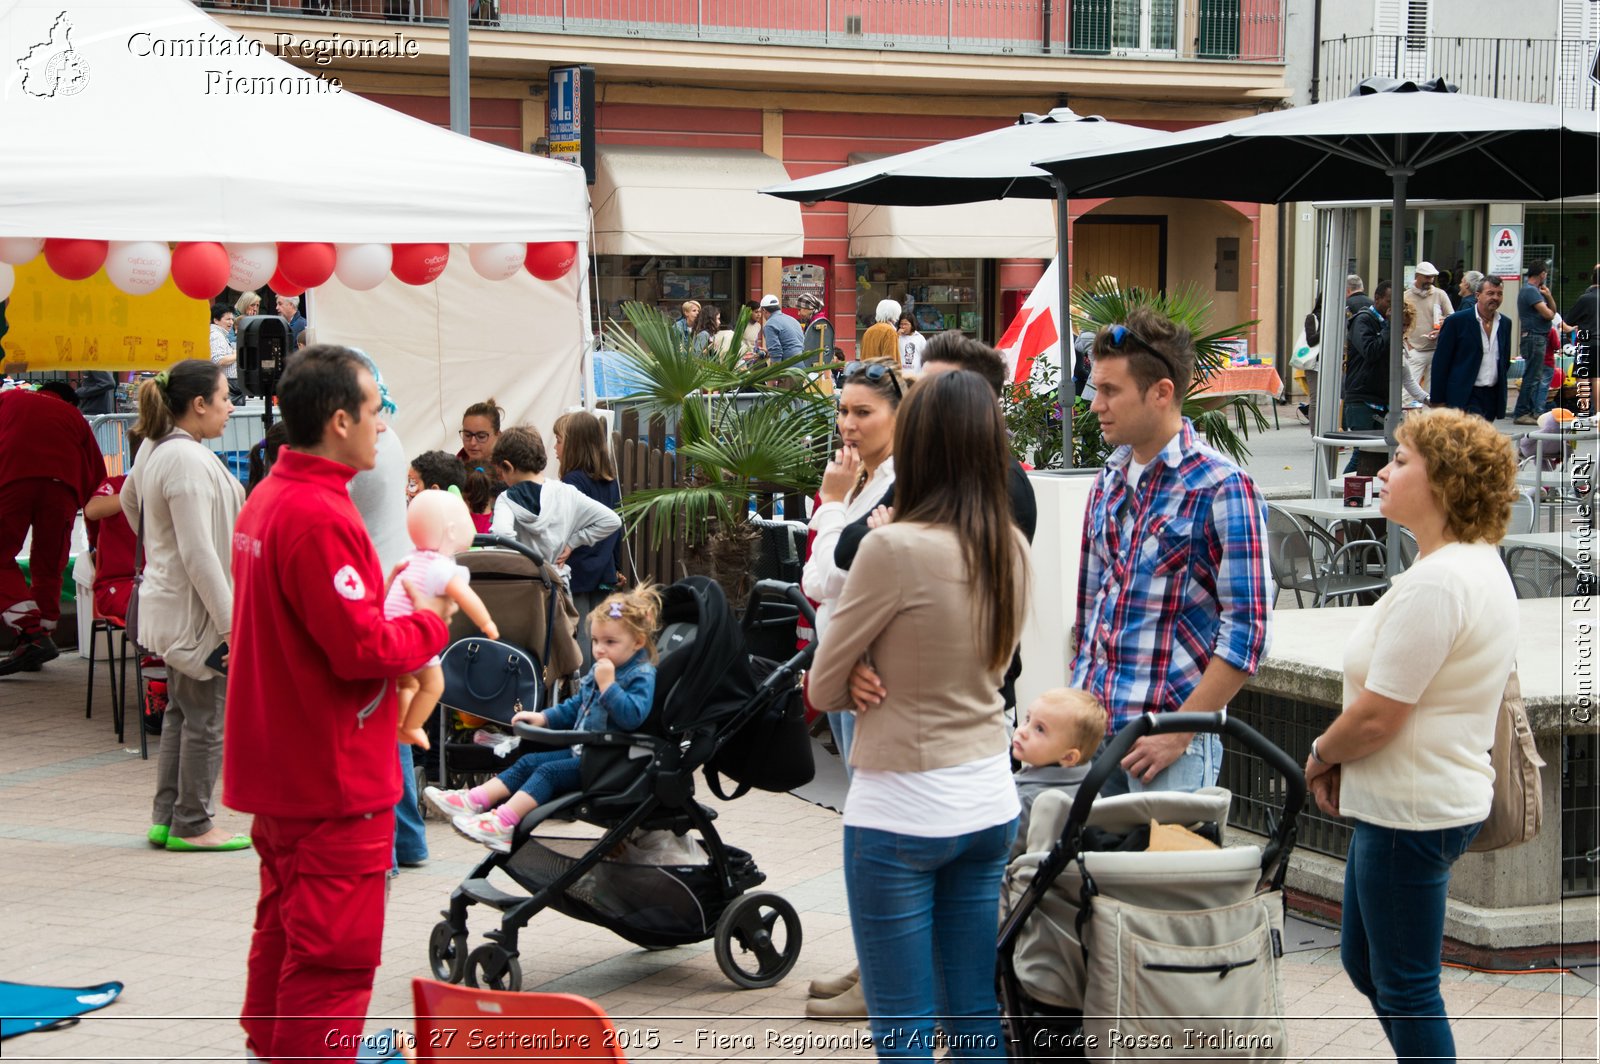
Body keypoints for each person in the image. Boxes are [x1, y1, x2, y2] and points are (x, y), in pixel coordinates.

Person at [225, 344, 453, 1063]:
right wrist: (427, 623)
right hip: (332, 774)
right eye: (375, 410)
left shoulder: (270, 498)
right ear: (338, 421)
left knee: (286, 931)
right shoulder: (318, 512)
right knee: (333, 958)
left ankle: (274, 1050)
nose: (383, 425)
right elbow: (359, 648)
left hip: (287, 767)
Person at [809, 369, 1029, 1062]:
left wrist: (863, 671)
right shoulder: (1010, 548)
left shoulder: (894, 547)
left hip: (901, 803)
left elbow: (822, 682)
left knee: (903, 1023)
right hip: (989, 796)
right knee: (972, 1012)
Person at [1304, 408, 1518, 1064]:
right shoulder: (1464, 565)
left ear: (1445, 482)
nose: (1384, 470)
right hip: (1408, 802)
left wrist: (1319, 755)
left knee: (1404, 983)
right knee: (1373, 965)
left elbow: (1378, 716)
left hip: (1411, 809)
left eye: (1401, 460)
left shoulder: (1442, 581)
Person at [1071, 308, 1271, 795]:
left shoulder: (1223, 487)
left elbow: (1248, 633)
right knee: (1090, 873)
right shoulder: (1108, 480)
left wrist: (1181, 732)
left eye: (1110, 390)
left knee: (1165, 874)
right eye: (1096, 388)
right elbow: (1089, 612)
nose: (1095, 404)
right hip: (1092, 737)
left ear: (1161, 392)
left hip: (1166, 749)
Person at [120, 359, 249, 852]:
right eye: (224, 398)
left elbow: (133, 503)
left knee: (182, 711)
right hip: (196, 613)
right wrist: (231, 625)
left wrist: (161, 548)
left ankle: (169, 816)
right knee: (204, 718)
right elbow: (199, 554)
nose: (231, 407)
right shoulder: (187, 459)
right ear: (198, 405)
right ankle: (193, 822)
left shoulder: (160, 447)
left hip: (175, 604)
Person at [426, 586, 660, 852]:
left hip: (609, 761)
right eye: (595, 641)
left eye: (610, 642)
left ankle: (503, 824)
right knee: (528, 762)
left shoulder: (640, 675)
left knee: (547, 772)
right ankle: (473, 800)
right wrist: (543, 717)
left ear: (638, 642)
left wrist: (609, 687)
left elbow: (632, 717)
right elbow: (575, 707)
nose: (599, 650)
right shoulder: (601, 668)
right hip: (585, 753)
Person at [342, 351, 434, 875]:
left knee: (379, 724)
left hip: (375, 591)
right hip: (394, 585)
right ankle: (409, 840)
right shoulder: (389, 436)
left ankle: (395, 843)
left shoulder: (364, 446)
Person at [0, 387, 104, 675]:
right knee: (48, 564)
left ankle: (31, 632)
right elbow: (98, 482)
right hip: (63, 490)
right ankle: (40, 633)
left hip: (12, 480)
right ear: (71, 402)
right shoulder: (75, 417)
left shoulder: (9, 397)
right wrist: (97, 542)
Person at [489, 425, 622, 587]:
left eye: (501, 473)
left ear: (508, 466)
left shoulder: (506, 498)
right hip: (554, 584)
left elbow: (501, 533)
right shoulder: (567, 492)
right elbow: (612, 520)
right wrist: (573, 542)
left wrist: (518, 564)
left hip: (520, 586)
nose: (502, 479)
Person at [553, 410, 624, 666]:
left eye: (559, 440)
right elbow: (617, 527)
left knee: (582, 636)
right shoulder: (610, 481)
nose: (555, 447)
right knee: (602, 635)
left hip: (579, 572)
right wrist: (616, 566)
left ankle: (582, 694)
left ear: (573, 443)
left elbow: (566, 526)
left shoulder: (572, 481)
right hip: (604, 570)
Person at [1010, 687, 1108, 855]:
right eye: (1027, 719)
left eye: (1040, 729)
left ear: (1069, 757)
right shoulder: (1089, 792)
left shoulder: (1026, 799)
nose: (1022, 731)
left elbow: (999, 854)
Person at [1429, 275, 1511, 421]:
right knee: (1468, 439)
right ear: (1478, 295)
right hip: (1465, 394)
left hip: (1491, 396)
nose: (1495, 298)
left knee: (1483, 441)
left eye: (1499, 293)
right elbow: (1441, 363)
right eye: (1490, 293)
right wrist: (1437, 400)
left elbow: (1504, 361)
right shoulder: (1456, 322)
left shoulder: (1505, 323)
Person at [1512, 261, 1558, 424]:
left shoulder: (1534, 292)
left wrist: (1548, 296)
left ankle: (1528, 410)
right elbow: (1548, 314)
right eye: (1545, 273)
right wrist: (1548, 302)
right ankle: (1522, 412)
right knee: (1532, 376)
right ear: (1542, 274)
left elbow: (1552, 312)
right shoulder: (1530, 291)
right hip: (1534, 337)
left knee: (1535, 375)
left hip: (1536, 337)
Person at [1402, 261, 1452, 393]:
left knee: (1432, 392)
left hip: (1436, 349)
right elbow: (1398, 323)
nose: (1430, 280)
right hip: (1415, 350)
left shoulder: (1440, 295)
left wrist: (1442, 327)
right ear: (1417, 276)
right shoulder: (1406, 296)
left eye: (1432, 277)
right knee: (1407, 393)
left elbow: (1451, 318)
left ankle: (1428, 414)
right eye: (1426, 277)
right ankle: (1406, 414)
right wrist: (1408, 345)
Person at [457, 396, 503, 474]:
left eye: (481, 436)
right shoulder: (453, 471)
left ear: (498, 435)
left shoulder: (510, 473)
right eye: (467, 435)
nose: (472, 443)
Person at [756, 294, 803, 366]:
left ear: (764, 310)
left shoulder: (770, 325)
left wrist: (775, 372)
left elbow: (776, 352)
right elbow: (793, 343)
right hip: (803, 364)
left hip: (789, 368)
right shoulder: (793, 320)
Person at [208, 302, 241, 402]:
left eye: (232, 319)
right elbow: (219, 360)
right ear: (216, 320)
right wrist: (237, 354)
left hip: (229, 385)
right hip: (228, 386)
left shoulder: (220, 334)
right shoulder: (216, 335)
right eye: (227, 319)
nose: (231, 323)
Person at [797, 292, 834, 365]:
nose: (798, 313)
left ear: (808, 308)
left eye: (799, 309)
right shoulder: (812, 321)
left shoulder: (817, 323)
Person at [859, 299, 900, 364]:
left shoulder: (869, 331)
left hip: (867, 371)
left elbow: (863, 355)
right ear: (895, 314)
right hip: (882, 373)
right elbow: (890, 362)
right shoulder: (890, 331)